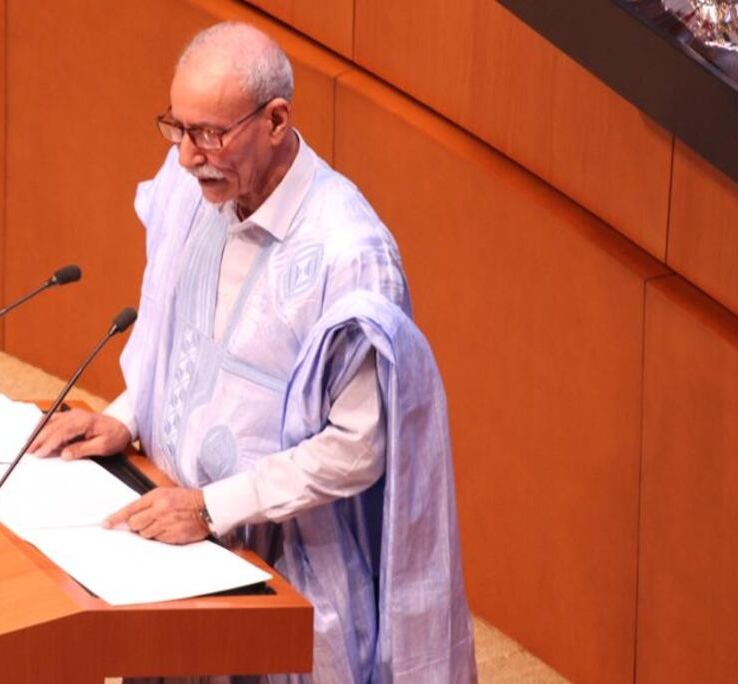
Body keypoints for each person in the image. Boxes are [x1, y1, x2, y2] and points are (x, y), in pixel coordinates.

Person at [33, 21, 475, 683]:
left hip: (283, 572)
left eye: (209, 133)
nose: (187, 156)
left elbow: (358, 446)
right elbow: (180, 333)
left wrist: (213, 507)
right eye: (177, 129)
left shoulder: (348, 252)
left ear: (275, 120)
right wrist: (129, 415)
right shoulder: (197, 185)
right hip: (168, 534)